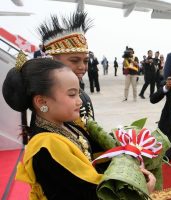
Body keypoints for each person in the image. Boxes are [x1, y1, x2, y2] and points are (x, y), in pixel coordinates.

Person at [2, 57, 156, 199]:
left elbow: (93, 155)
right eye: (72, 95)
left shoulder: (65, 124)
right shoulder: (47, 147)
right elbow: (94, 194)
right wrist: (137, 190)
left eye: (79, 93)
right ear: (42, 102)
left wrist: (129, 154)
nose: (79, 101)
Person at [37, 10, 95, 121]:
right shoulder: (49, 100)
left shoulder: (81, 93)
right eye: (74, 61)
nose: (82, 67)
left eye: (86, 61)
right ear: (52, 61)